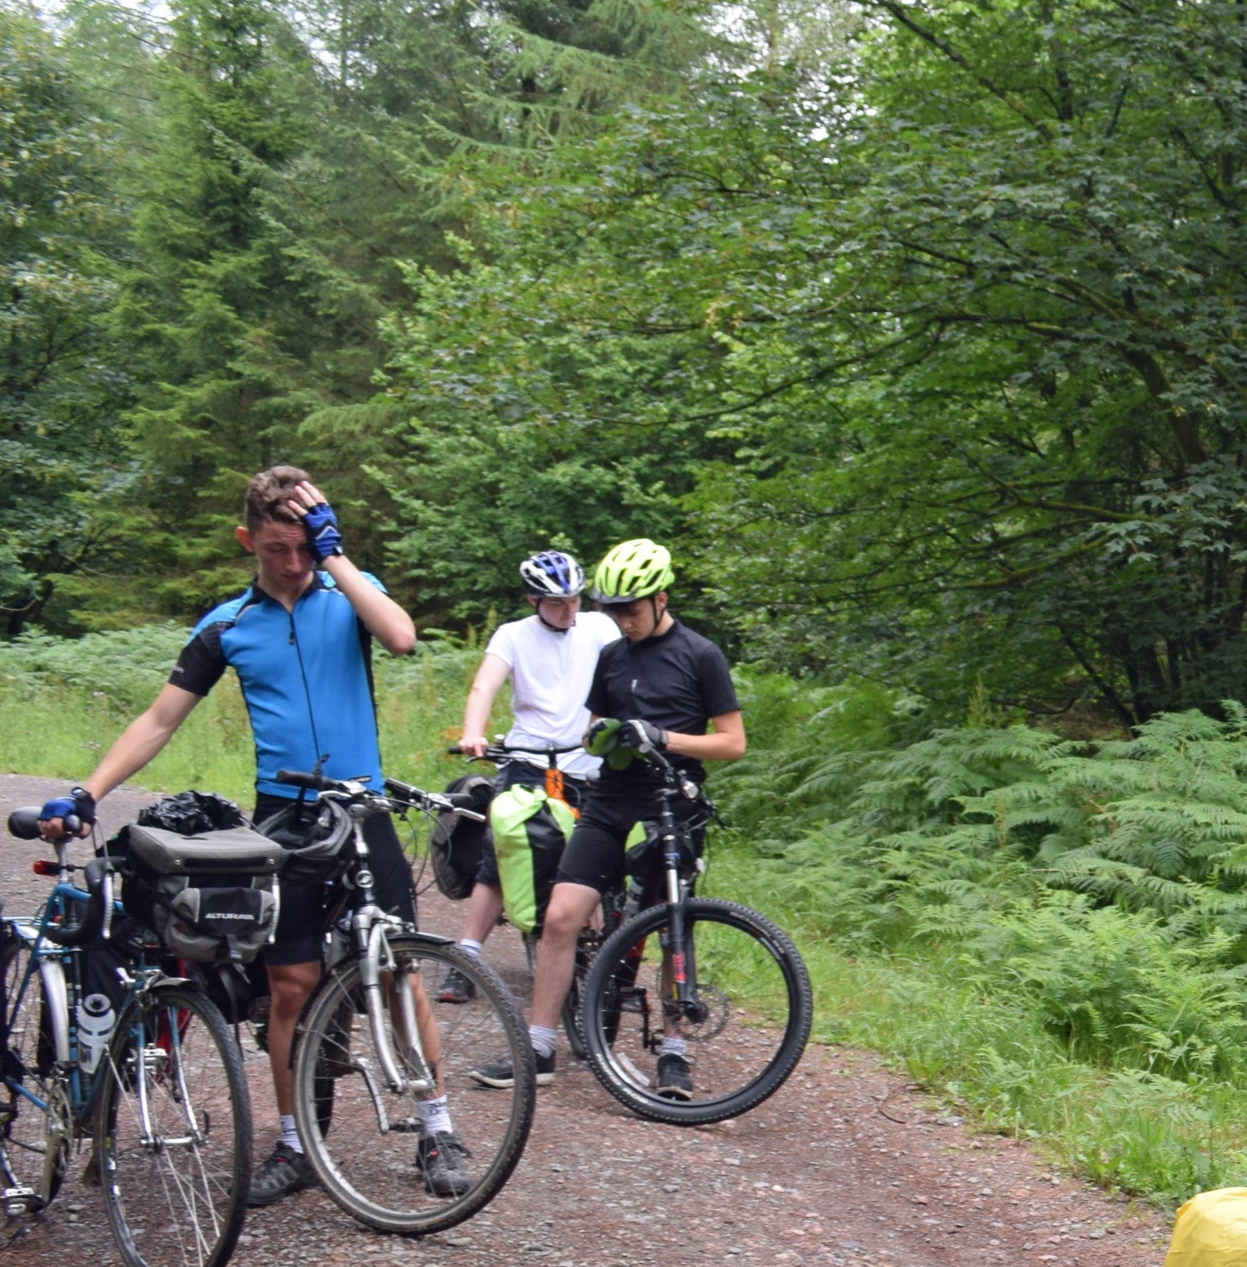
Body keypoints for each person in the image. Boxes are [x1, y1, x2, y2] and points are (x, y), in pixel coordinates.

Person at [34, 466, 474, 1204]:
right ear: (248, 541)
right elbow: (160, 719)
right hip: (284, 819)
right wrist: (88, 791)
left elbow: (400, 637)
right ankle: (296, 1142)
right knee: (289, 987)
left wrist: (337, 553)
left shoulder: (342, 591)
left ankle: (436, 1129)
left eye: (303, 546)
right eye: (276, 549)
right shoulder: (229, 624)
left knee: (400, 973)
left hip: (361, 808)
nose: (293, 562)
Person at [492, 538, 742, 1099]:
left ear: (661, 598)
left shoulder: (701, 655)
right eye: (613, 612)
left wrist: (664, 737)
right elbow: (592, 728)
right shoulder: (612, 654)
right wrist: (602, 737)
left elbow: (733, 743)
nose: (621, 622)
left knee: (670, 924)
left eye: (630, 611)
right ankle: (538, 1045)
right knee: (561, 916)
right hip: (611, 798)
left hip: (672, 800)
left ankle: (674, 1054)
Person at [435, 550, 620, 1018]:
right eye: (557, 602)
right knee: (502, 854)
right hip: (528, 762)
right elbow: (485, 686)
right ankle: (466, 958)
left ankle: (596, 961)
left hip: (586, 765)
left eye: (575, 599)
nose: (569, 609)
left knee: (594, 860)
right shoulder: (513, 635)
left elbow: (624, 674)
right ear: (534, 599)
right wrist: (473, 732)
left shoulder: (599, 628)